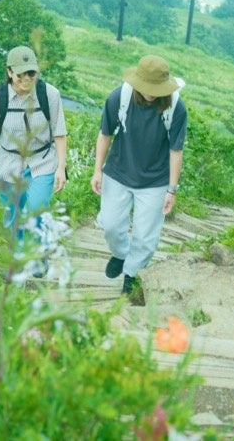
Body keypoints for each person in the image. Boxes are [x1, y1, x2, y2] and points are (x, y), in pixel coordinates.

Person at [91, 54, 187, 295]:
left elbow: (176, 150)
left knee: (145, 237)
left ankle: (131, 274)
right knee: (111, 225)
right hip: (119, 172)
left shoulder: (176, 107)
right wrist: (97, 171)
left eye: (156, 89)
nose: (151, 93)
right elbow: (105, 134)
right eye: (146, 88)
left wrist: (171, 190)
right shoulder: (119, 97)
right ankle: (121, 254)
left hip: (156, 180)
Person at [0, 45, 68, 239]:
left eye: (31, 73)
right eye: (21, 74)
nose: (27, 79)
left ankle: (38, 259)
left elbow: (59, 133)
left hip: (42, 160)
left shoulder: (50, 95)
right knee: (13, 216)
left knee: (37, 210)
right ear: (9, 72)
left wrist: (61, 167)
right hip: (8, 162)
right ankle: (17, 262)